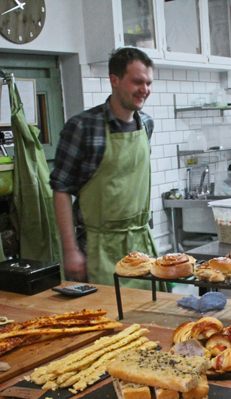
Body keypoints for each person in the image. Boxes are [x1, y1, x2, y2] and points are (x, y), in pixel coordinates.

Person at [50, 48, 158, 287]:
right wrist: (70, 250)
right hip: (98, 250)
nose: (145, 90)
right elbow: (61, 190)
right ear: (114, 81)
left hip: (141, 246)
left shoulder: (146, 124)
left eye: (149, 83)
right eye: (137, 82)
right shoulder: (82, 127)